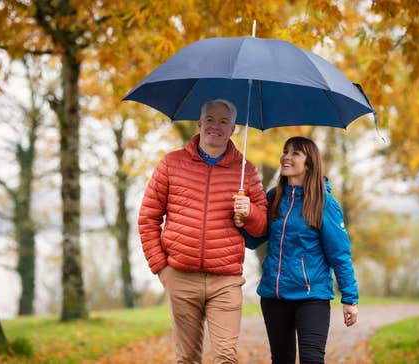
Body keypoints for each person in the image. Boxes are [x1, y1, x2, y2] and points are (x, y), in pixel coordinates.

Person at [138, 99, 268, 364]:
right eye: (210, 119)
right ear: (199, 124)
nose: (215, 127)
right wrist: (162, 269)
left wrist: (250, 211)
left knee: (225, 357)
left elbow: (264, 226)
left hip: (226, 280)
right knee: (186, 358)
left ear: (233, 129)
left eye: (224, 122)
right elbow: (148, 217)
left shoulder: (247, 172)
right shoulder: (171, 164)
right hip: (181, 277)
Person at [234, 136, 359, 364]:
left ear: (309, 163)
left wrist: (350, 298)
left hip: (311, 296)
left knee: (312, 359)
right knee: (282, 360)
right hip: (274, 295)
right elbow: (253, 240)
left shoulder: (324, 202)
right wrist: (244, 219)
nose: (286, 157)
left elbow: (340, 254)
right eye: (285, 151)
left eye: (295, 153)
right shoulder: (273, 197)